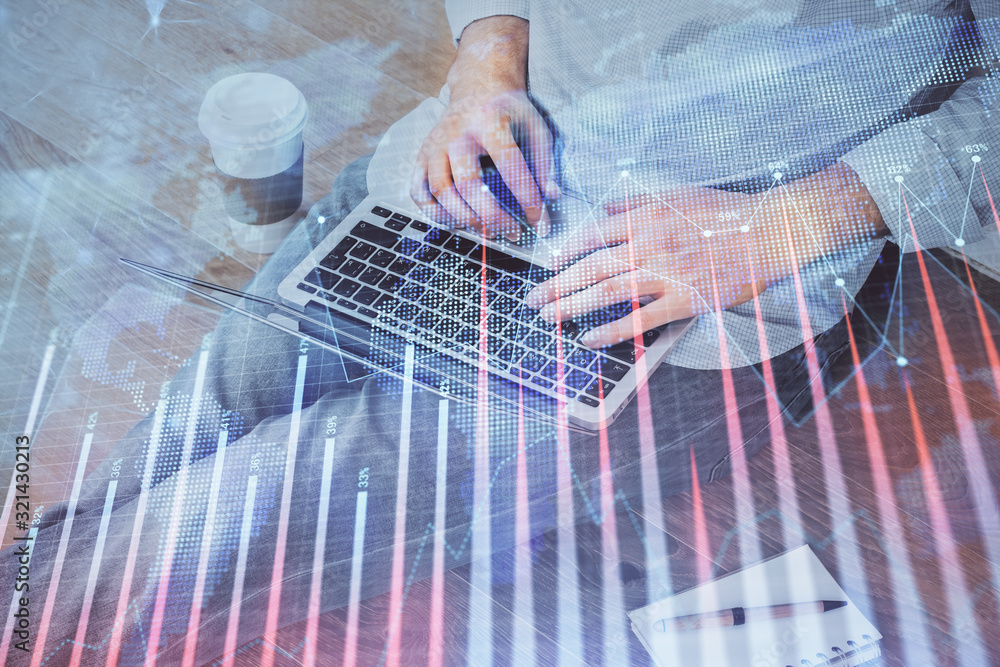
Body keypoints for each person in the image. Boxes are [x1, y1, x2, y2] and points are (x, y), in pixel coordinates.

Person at [1, 1, 997, 665]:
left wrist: (792, 221)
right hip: (465, 173)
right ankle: (41, 600)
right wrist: (485, 58)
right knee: (228, 391)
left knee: (263, 492)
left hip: (688, 289)